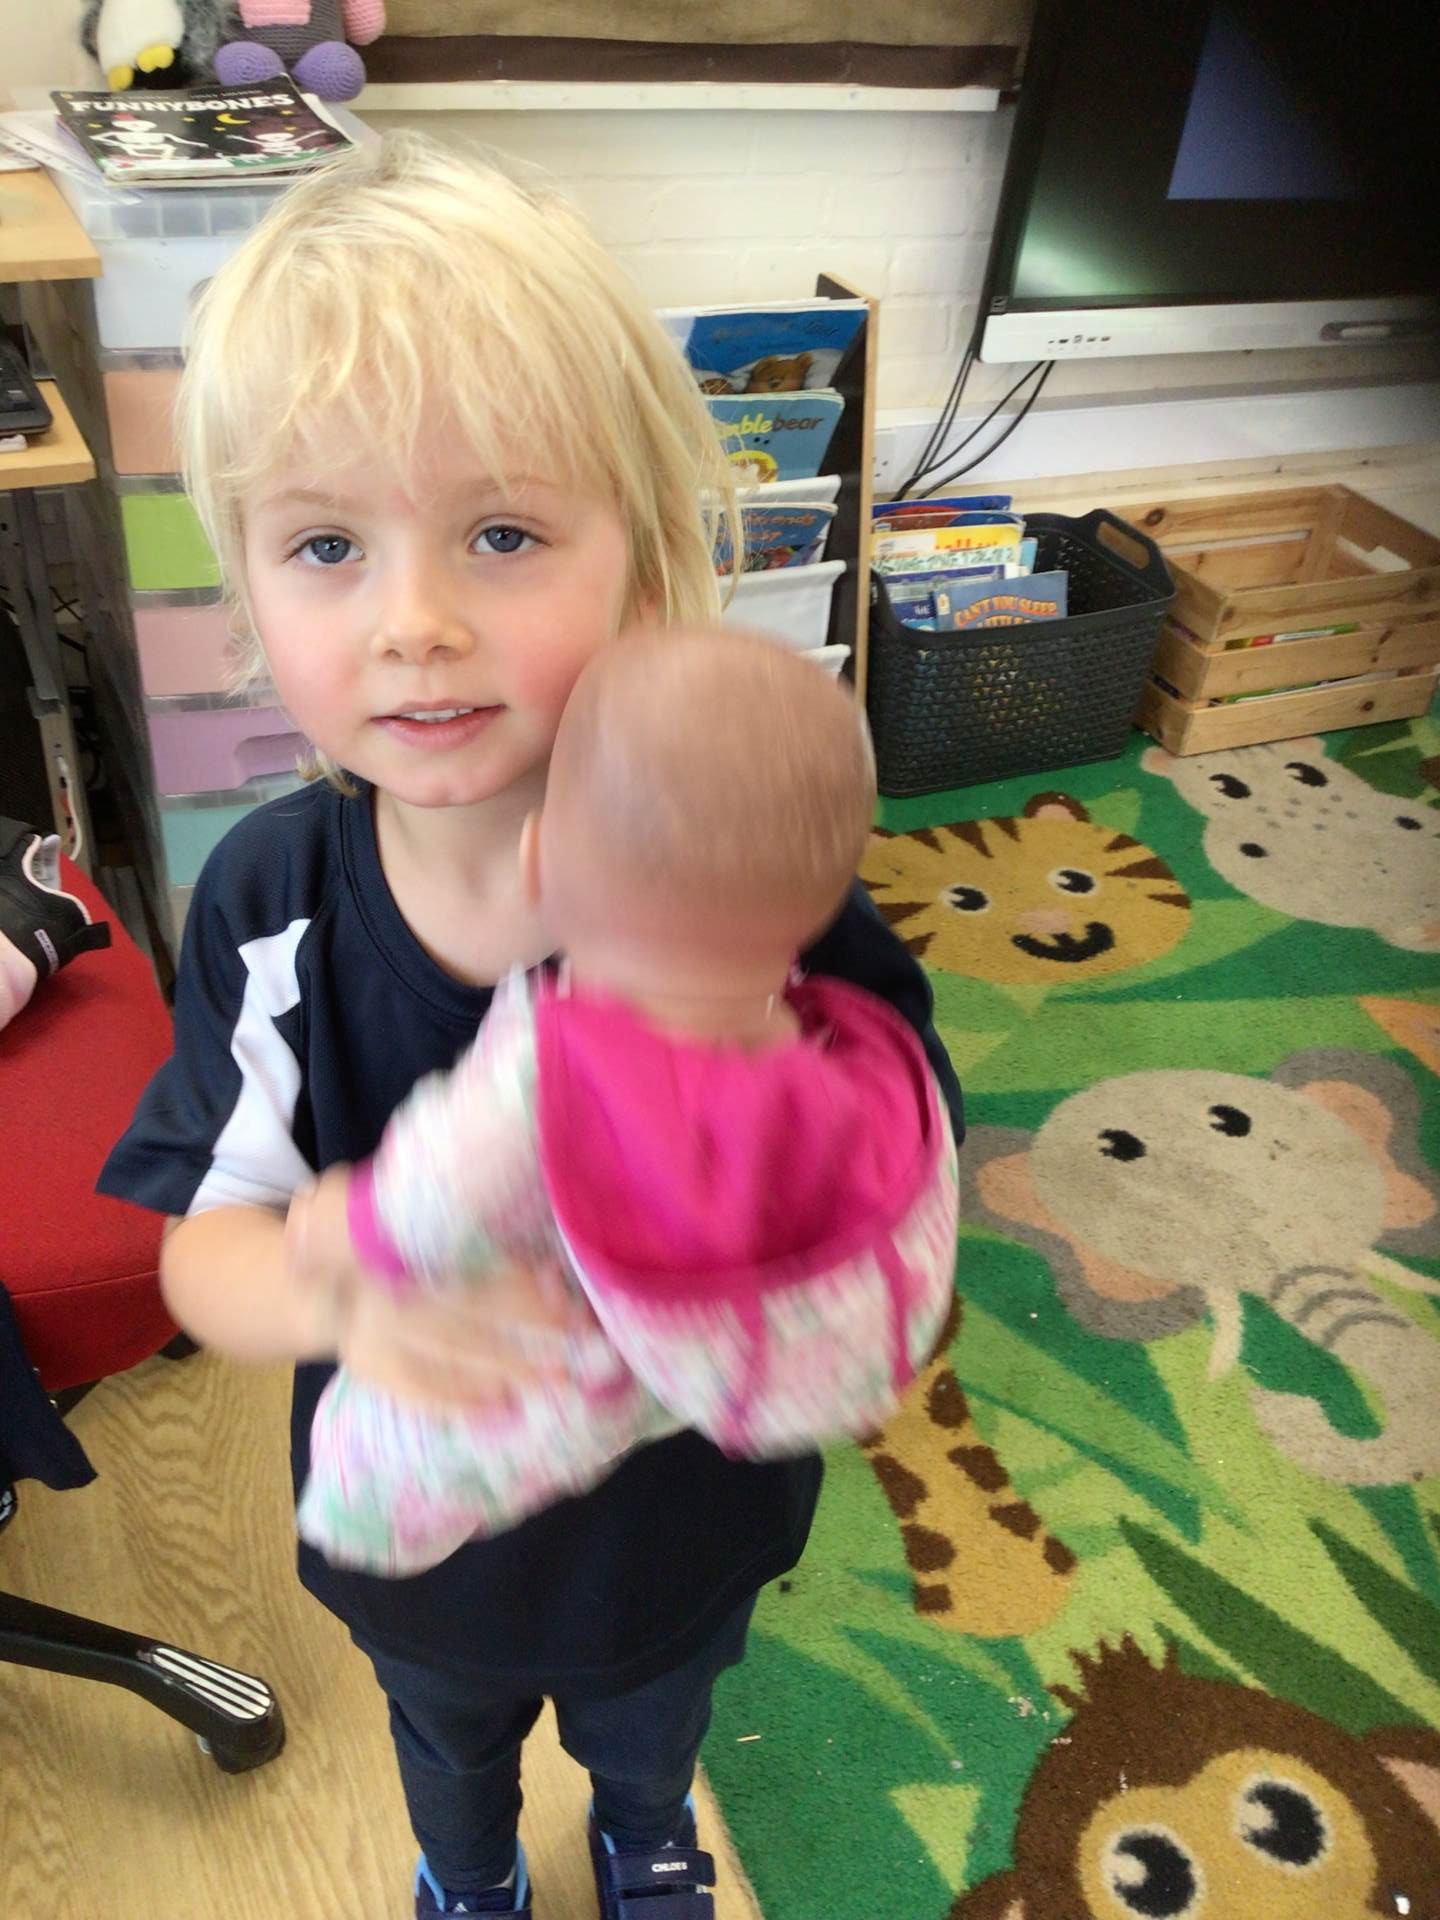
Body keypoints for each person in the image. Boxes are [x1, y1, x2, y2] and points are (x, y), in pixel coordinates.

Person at [99, 134, 963, 1920]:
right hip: (431, 1538)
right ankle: (471, 1867)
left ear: (644, 563)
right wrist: (339, 1284)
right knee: (450, 1740)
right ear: (249, 589)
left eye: (501, 535)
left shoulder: (738, 868)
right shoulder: (274, 900)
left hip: (683, 1514)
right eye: (326, 545)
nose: (414, 622)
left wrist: (780, 1177)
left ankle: (648, 1835)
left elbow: (905, 1180)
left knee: (654, 1730)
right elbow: (203, 1254)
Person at [290, 629, 960, 1576]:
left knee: (517, 1364)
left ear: (537, 864)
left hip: (651, 1345)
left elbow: (437, 1191)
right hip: (829, 1353)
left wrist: (346, 1225)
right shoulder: (821, 1023)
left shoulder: (550, 1063)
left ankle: (369, 1520)